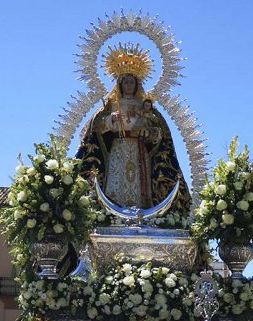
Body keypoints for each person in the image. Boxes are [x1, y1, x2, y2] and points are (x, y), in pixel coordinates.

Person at [77, 55, 191, 216]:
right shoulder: (112, 105)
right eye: (126, 82)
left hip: (139, 149)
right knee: (116, 179)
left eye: (132, 82)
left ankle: (140, 213)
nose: (129, 85)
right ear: (120, 84)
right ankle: (113, 212)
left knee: (139, 181)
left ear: (137, 85)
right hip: (118, 147)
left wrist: (150, 133)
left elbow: (159, 133)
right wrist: (111, 120)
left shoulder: (145, 107)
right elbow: (96, 128)